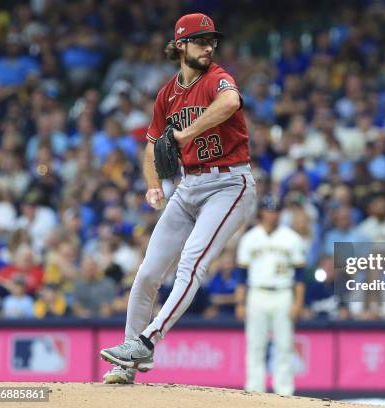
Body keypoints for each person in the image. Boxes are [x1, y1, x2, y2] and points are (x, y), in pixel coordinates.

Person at [100, 13, 256, 384]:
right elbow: (152, 146)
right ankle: (127, 364)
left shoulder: (218, 78)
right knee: (147, 274)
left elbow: (231, 103)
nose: (209, 46)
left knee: (191, 264)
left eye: (212, 40)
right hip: (188, 187)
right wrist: (153, 183)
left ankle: (146, 341)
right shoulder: (167, 95)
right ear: (181, 45)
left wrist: (185, 134)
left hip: (229, 184)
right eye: (201, 40)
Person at [235, 195, 307, 396]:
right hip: (256, 293)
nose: (272, 214)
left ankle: (284, 392)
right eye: (268, 210)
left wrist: (298, 302)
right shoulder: (250, 238)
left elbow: (300, 276)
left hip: (283, 294)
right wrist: (240, 302)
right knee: (255, 345)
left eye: (275, 211)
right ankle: (254, 390)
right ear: (261, 213)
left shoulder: (291, 238)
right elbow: (241, 275)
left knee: (284, 345)